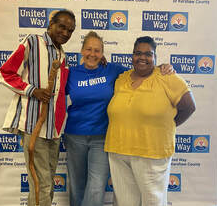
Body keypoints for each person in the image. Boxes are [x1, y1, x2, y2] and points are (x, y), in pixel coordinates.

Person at [64, 31, 173, 206]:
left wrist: (163, 67)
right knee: (77, 186)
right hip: (75, 135)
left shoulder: (113, 70)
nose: (93, 54)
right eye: (89, 49)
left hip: (102, 137)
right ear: (82, 51)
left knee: (96, 186)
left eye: (97, 50)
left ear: (102, 53)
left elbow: (142, 70)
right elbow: (55, 98)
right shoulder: (71, 73)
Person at [104, 36, 196, 206]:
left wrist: (167, 126)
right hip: (118, 150)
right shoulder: (122, 79)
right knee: (124, 201)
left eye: (148, 54)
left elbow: (189, 106)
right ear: (132, 56)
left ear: (155, 57)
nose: (142, 58)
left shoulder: (166, 77)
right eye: (138, 53)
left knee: (153, 201)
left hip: (152, 152)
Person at [0, 10, 76, 206]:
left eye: (70, 30)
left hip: (54, 131)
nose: (66, 33)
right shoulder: (33, 42)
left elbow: (61, 92)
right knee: (40, 183)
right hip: (34, 127)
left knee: (46, 182)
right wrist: (32, 90)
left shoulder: (62, 54)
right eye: (62, 27)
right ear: (51, 24)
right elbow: (5, 73)